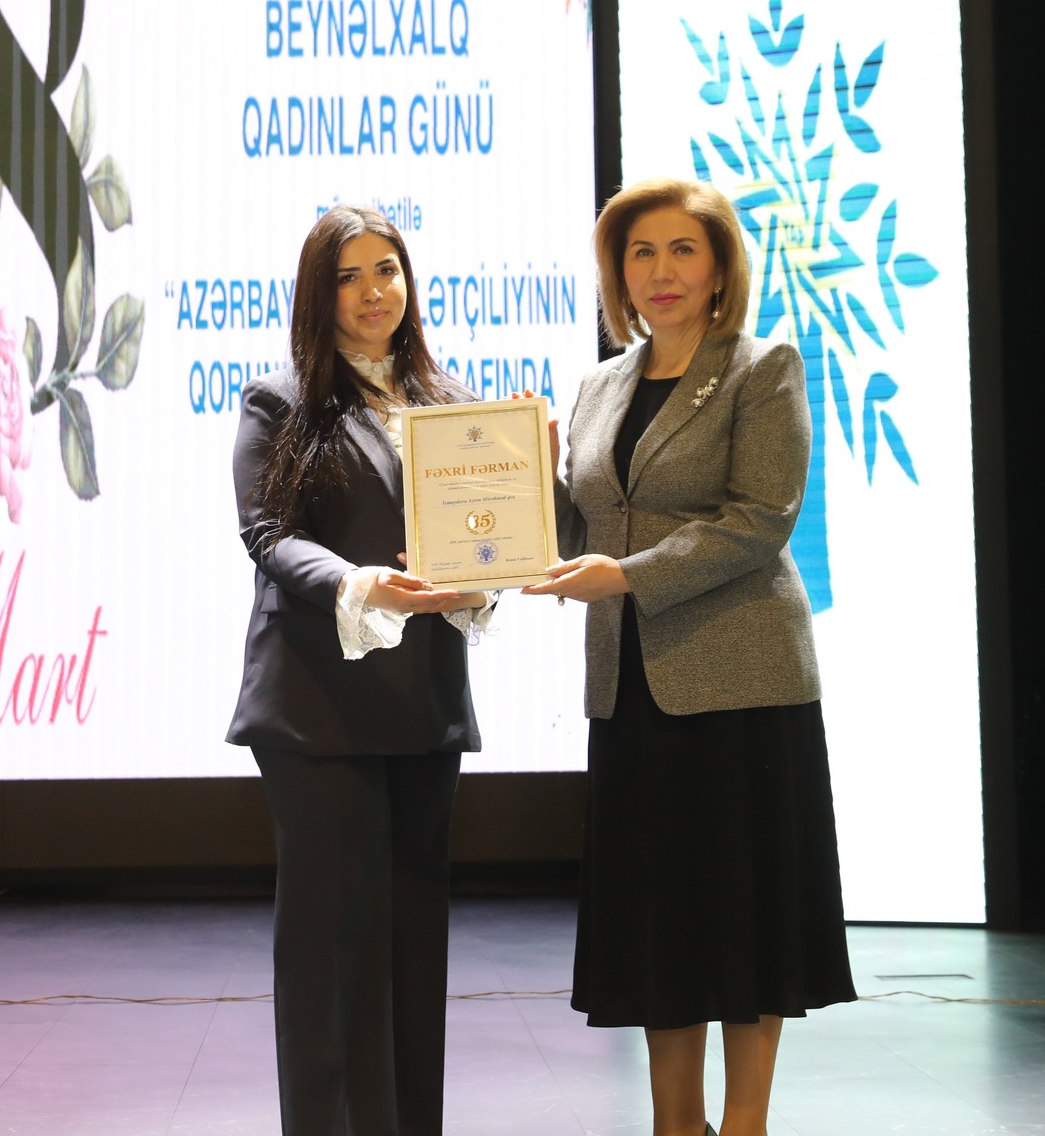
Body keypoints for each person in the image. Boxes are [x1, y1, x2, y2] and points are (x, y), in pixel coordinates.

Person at [523, 178, 856, 1136]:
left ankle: (744, 1122)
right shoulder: (600, 386)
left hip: (742, 680)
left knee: (744, 917)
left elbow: (759, 520)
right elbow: (583, 530)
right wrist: (526, 478)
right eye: (641, 252)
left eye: (681, 250)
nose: (660, 271)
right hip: (631, 686)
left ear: (718, 269)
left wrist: (625, 576)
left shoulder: (761, 367)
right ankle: (677, 1124)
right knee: (659, 919)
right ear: (618, 273)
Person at [229, 204, 495, 1136]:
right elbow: (267, 534)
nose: (374, 291)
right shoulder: (279, 401)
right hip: (317, 707)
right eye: (348, 276)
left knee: (414, 939)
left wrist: (513, 525)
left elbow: (480, 539)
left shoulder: (452, 404)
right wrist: (356, 580)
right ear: (318, 293)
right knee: (332, 944)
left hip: (423, 700)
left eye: (387, 269)